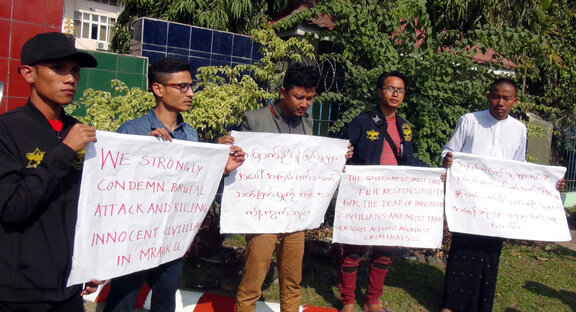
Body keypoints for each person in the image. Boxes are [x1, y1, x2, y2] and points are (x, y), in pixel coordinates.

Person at [104, 57, 245, 312]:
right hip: (133, 239)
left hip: (170, 240)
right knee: (122, 302)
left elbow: (192, 190)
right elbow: (113, 187)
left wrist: (220, 169)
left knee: (165, 300)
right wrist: (142, 151)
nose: (190, 93)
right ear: (158, 89)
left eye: (191, 86)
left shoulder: (190, 136)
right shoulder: (131, 131)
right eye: (182, 87)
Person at [235, 63, 354, 312]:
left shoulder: (307, 121)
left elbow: (309, 162)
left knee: (292, 282)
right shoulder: (254, 119)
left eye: (310, 98)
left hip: (295, 215)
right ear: (282, 92)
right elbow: (238, 161)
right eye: (299, 97)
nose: (305, 104)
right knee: (251, 286)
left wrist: (335, 160)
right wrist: (227, 146)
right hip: (263, 216)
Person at [440, 78, 564, 312]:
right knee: (462, 251)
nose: (500, 102)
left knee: (489, 253)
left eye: (506, 98)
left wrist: (550, 183)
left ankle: (481, 305)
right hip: (468, 202)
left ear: (514, 101)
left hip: (498, 207)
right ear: (488, 96)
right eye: (496, 96)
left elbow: (519, 168)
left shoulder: (519, 129)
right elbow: (449, 150)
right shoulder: (470, 121)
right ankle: (451, 305)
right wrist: (448, 159)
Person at [0, 32, 101, 311]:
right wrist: (64, 152)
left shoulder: (79, 131)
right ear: (29, 73)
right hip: (19, 295)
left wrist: (91, 261)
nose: (70, 79)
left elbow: (92, 207)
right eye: (58, 68)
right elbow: (12, 208)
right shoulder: (7, 131)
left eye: (75, 71)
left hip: (69, 292)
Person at [338, 71, 428, 312]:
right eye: (390, 89)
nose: (395, 94)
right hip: (363, 196)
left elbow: (409, 161)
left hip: (392, 199)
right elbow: (341, 150)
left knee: (384, 252)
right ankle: (347, 300)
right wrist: (341, 154)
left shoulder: (405, 127)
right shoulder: (361, 121)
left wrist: (434, 172)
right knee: (354, 250)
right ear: (379, 92)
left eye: (400, 90)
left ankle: (372, 300)